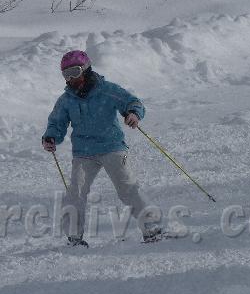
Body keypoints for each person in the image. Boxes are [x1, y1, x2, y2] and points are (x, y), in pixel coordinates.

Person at [42, 50, 161, 246]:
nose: (71, 78)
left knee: (127, 187)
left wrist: (133, 113)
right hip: (83, 152)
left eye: (74, 72)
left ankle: (152, 229)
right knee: (75, 193)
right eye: (66, 74)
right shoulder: (66, 100)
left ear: (86, 69)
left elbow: (132, 102)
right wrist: (51, 136)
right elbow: (56, 122)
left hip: (112, 146)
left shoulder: (106, 90)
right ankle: (74, 237)